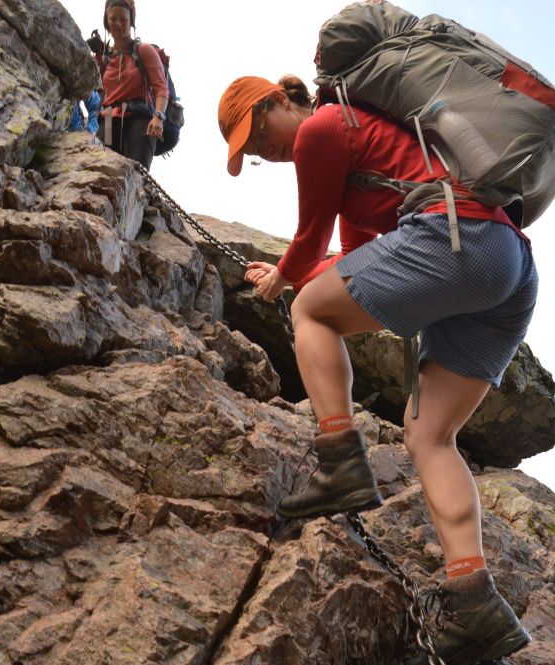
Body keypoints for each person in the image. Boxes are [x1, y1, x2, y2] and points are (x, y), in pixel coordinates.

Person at [217, 75, 537, 664]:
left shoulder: (322, 126)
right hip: (506, 263)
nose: (265, 153)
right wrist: (292, 272)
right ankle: (476, 601)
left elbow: (309, 245)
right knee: (431, 436)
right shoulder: (364, 146)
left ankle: (341, 464)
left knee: (308, 312)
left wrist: (287, 279)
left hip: (454, 236)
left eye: (258, 135)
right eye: (253, 154)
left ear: (278, 102)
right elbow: (355, 259)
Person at [95, 0, 167, 169]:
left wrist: (158, 117)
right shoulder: (103, 57)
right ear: (106, 21)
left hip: (141, 118)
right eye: (113, 19)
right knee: (101, 169)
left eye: (123, 19)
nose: (118, 24)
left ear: (131, 20)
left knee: (137, 173)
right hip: (108, 118)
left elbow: (161, 88)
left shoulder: (144, 51)